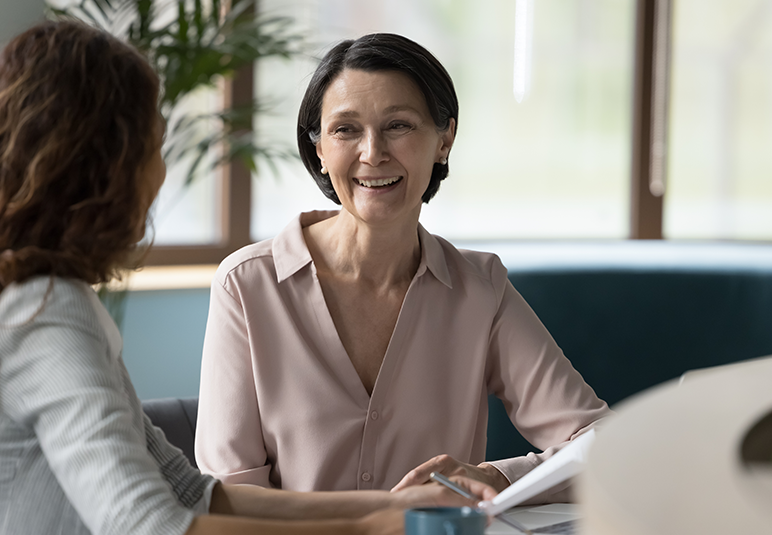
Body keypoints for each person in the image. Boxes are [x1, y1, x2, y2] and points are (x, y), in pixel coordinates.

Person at [0, 21, 496, 535]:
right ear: (101, 167)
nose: (161, 173)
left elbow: (189, 492)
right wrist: (368, 530)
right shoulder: (45, 312)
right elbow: (146, 525)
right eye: (153, 147)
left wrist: (388, 509)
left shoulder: (30, 299)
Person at [196, 33, 611, 498]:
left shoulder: (480, 289)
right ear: (319, 148)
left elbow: (601, 442)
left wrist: (497, 477)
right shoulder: (248, 285)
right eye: (345, 129)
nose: (372, 153)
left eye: (398, 126)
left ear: (443, 140)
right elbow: (228, 496)